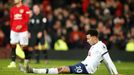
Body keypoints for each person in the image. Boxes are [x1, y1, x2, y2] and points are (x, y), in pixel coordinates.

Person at [19, 29, 120, 75]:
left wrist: (115, 73)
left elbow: (108, 61)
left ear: (94, 37)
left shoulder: (101, 46)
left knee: (62, 69)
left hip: (86, 69)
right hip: (82, 65)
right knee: (62, 70)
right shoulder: (93, 46)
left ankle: (32, 70)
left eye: (89, 38)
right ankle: (32, 70)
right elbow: (105, 62)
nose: (87, 40)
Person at [7, 0, 31, 68]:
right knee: (13, 45)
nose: (14, 0)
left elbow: (27, 19)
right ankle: (13, 62)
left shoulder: (26, 8)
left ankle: (26, 61)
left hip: (23, 30)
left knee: (24, 46)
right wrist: (12, 28)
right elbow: (11, 20)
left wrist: (21, 25)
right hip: (14, 30)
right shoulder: (12, 9)